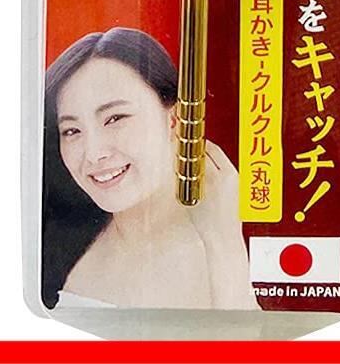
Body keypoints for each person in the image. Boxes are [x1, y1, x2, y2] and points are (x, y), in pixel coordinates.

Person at [41, 27, 258, 311]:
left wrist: (224, 245)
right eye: (71, 131)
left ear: (175, 118)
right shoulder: (59, 244)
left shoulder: (239, 243)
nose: (93, 154)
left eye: (115, 118)